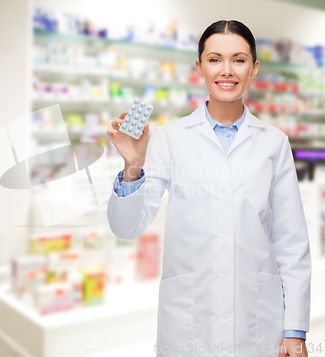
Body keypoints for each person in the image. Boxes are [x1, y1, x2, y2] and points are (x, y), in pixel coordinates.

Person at [106, 20, 311, 357]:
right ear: (199, 67)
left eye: (239, 60)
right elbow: (127, 227)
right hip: (189, 324)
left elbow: (291, 242)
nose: (226, 70)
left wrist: (295, 331)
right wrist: (132, 167)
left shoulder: (274, 143)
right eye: (215, 59)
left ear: (254, 68)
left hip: (258, 323)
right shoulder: (168, 138)